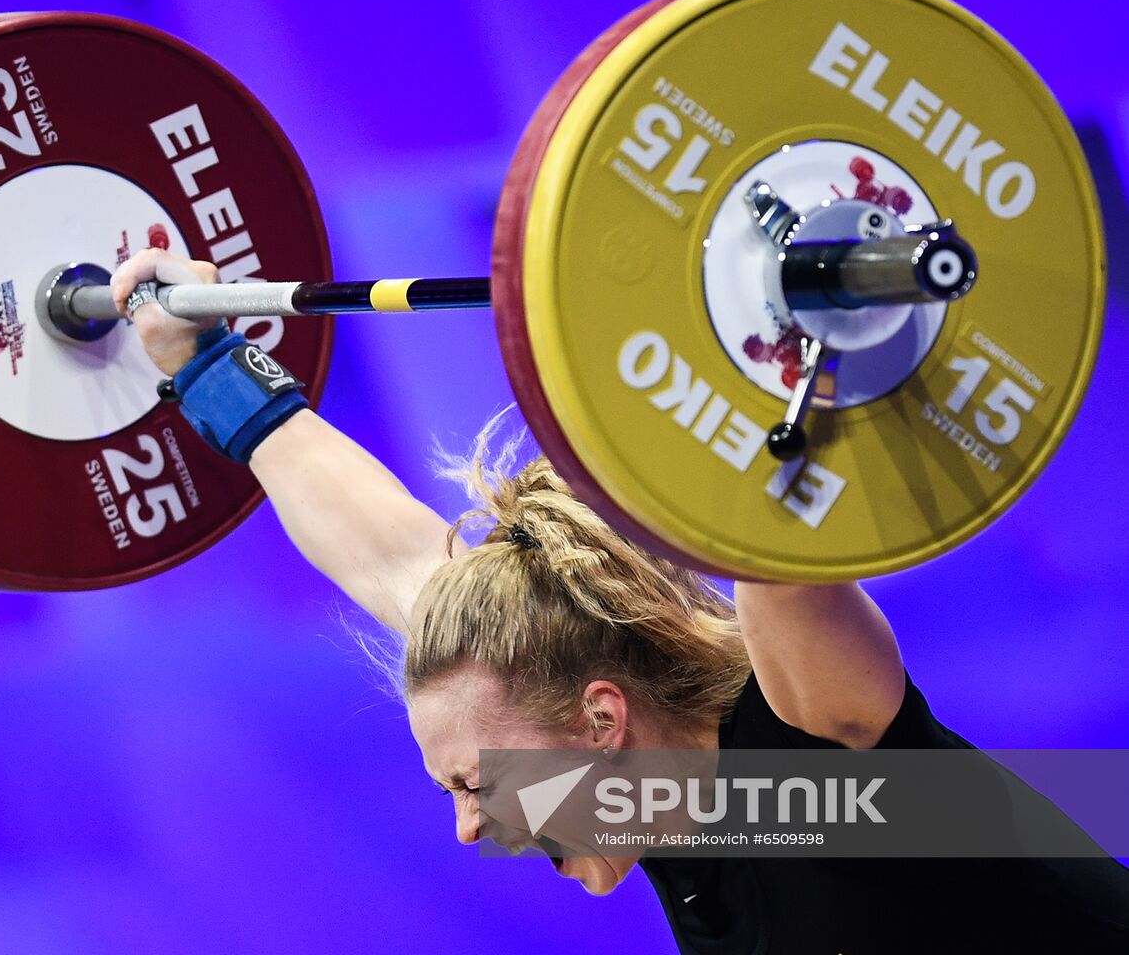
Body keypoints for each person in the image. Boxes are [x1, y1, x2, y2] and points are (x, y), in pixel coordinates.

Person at [112, 250, 1129, 953]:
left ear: (602, 719)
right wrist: (200, 363)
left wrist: (783, 352)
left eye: (473, 782)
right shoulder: (651, 796)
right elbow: (385, 560)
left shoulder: (820, 756)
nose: (469, 827)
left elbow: (771, 547)